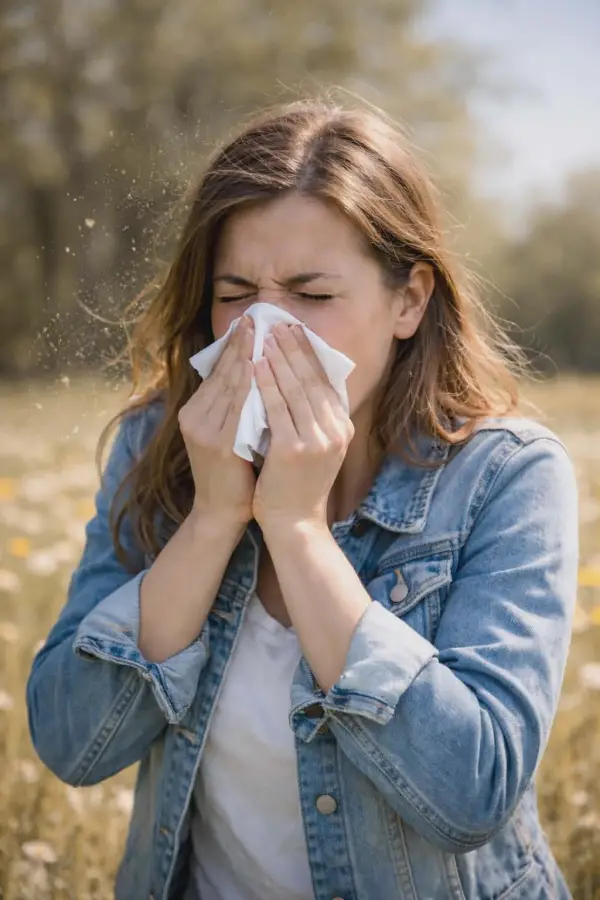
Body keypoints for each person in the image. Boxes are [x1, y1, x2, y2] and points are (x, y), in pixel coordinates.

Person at [26, 98, 578, 900]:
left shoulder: (506, 478)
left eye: (312, 295)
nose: (263, 333)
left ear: (408, 301)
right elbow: (73, 744)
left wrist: (296, 528)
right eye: (236, 291)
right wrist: (215, 516)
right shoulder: (161, 446)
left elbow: (471, 796)